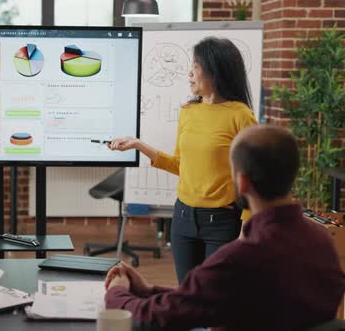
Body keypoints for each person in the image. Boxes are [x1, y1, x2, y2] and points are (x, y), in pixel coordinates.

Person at [104, 125, 345, 331]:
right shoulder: (322, 240)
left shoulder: (239, 259)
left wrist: (117, 292)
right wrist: (148, 291)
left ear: (242, 182)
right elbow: (215, 297)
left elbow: (148, 320)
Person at [109, 37, 258, 283]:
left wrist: (245, 231)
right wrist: (138, 144)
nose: (189, 73)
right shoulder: (189, 112)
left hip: (222, 224)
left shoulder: (241, 116)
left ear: (216, 70)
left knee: (216, 298)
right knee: (188, 295)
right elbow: (180, 164)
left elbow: (254, 179)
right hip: (183, 219)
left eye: (196, 66)